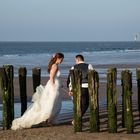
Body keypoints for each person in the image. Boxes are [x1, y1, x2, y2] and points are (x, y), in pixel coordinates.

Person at [11, 53, 64, 130]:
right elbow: (51, 77)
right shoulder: (55, 66)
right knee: (51, 104)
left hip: (53, 85)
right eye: (61, 59)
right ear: (57, 58)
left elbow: (54, 78)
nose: (62, 61)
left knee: (52, 103)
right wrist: (53, 87)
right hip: (53, 87)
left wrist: (59, 85)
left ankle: (47, 121)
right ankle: (46, 121)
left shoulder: (54, 65)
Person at [67, 54, 93, 125]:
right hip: (86, 87)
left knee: (77, 105)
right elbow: (92, 77)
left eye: (75, 60)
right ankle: (76, 120)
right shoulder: (89, 66)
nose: (75, 62)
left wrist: (70, 89)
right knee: (85, 104)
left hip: (76, 88)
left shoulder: (73, 67)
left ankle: (77, 119)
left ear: (78, 59)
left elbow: (70, 80)